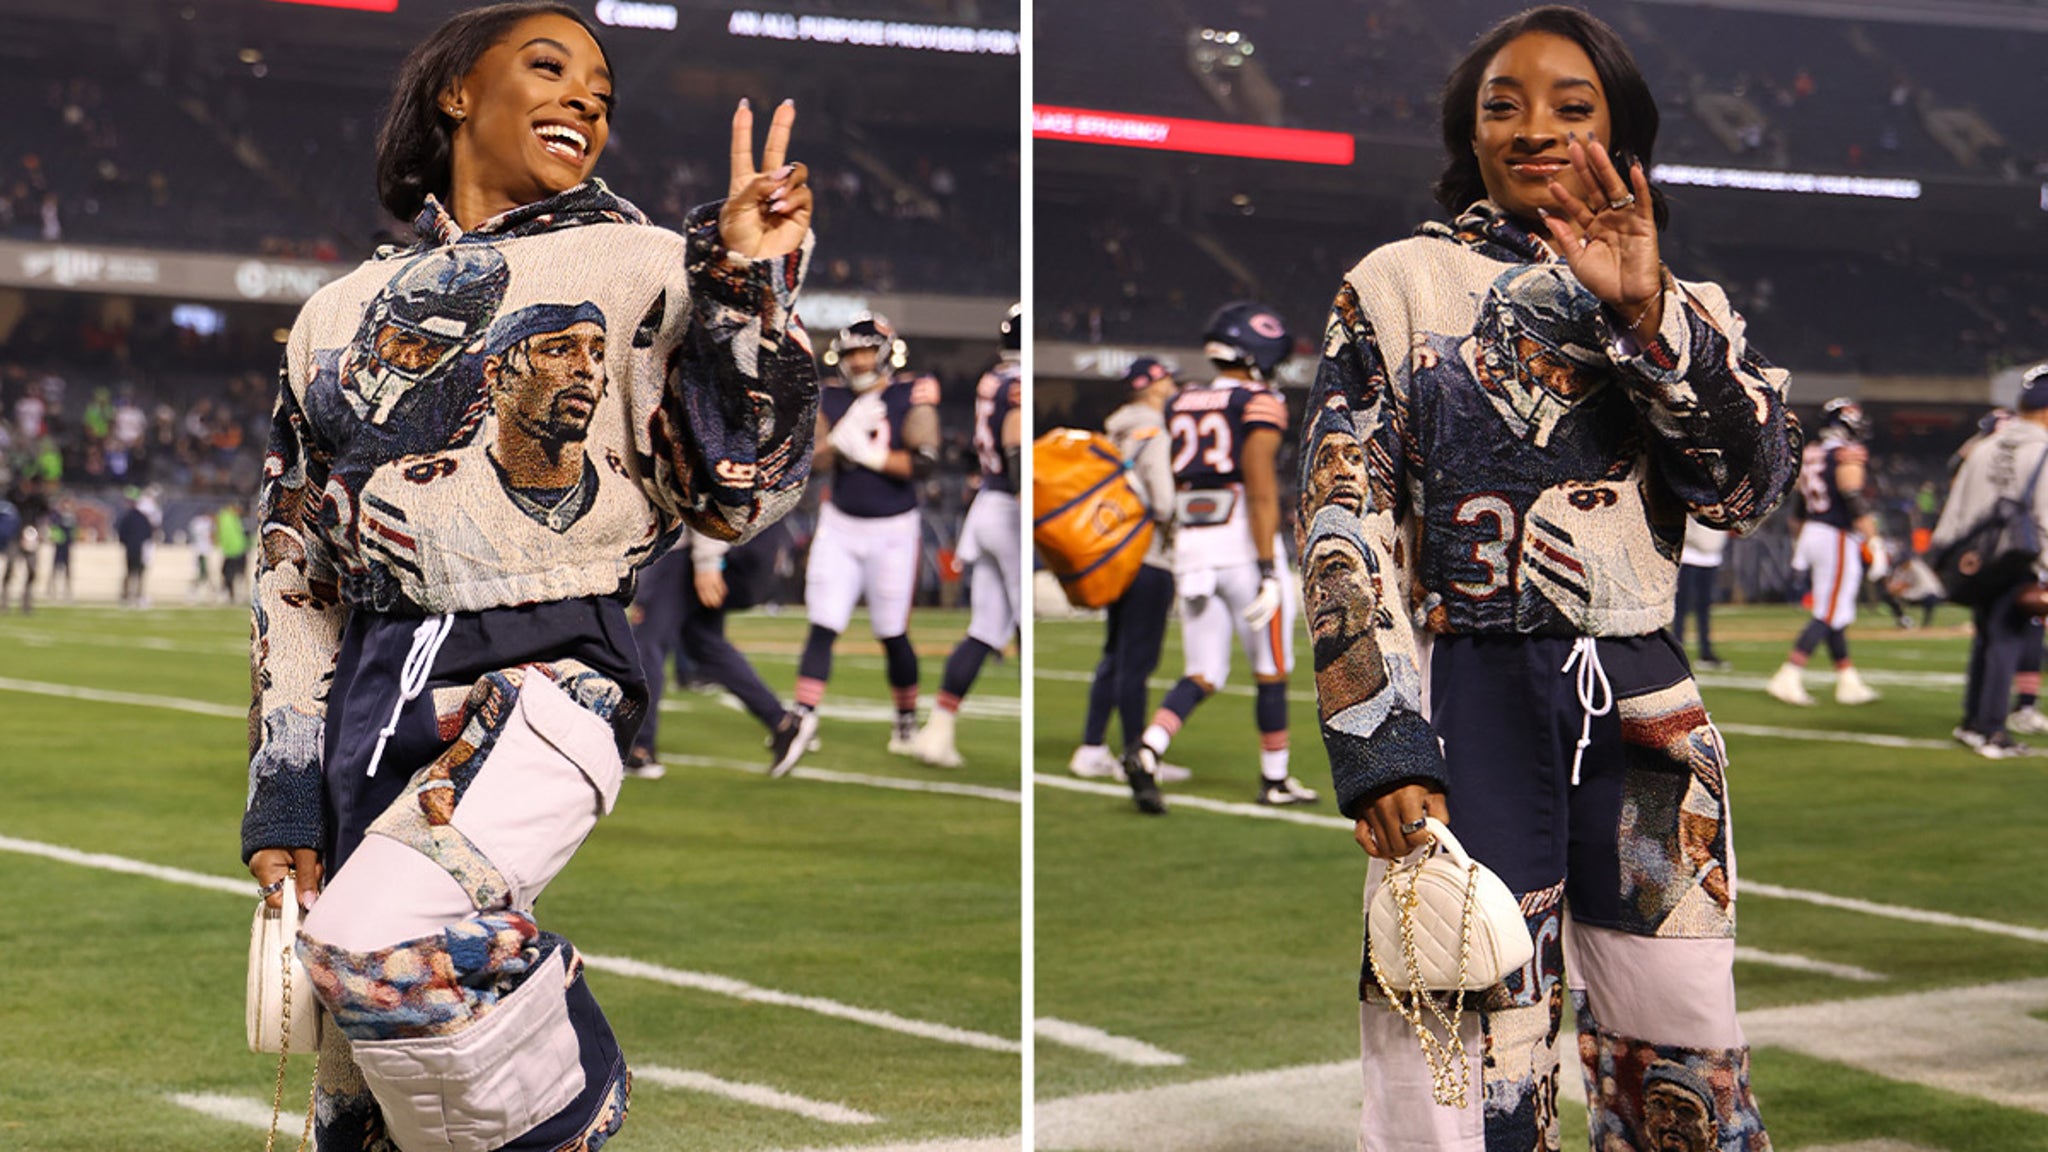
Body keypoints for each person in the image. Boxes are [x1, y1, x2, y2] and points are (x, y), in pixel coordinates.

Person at [238, 5, 817, 1148]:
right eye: (547, 67)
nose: (585, 99)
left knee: (382, 947)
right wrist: (287, 784)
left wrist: (748, 287)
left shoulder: (648, 261)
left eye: (600, 88)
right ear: (455, 92)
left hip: (550, 665)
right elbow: (294, 564)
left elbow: (737, 493)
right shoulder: (332, 313)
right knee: (360, 1105)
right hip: (368, 690)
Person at [1298, 8, 1795, 1148]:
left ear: (1622, 131)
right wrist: (1377, 741)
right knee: (1455, 1065)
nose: (1533, 129)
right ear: (1464, 134)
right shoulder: (1395, 284)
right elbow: (1343, 514)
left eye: (1572, 107)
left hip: (1645, 714)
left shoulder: (1691, 305)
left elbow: (1745, 488)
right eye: (1500, 106)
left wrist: (1645, 317)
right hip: (1462, 695)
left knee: (1679, 1056)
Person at [1127, 302, 1315, 807]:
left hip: (1193, 547)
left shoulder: (1182, 400)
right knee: (1271, 666)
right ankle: (1274, 779)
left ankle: (1148, 748)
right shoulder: (1260, 399)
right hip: (1240, 543)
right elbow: (1258, 489)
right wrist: (1267, 567)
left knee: (1203, 671)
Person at [794, 312, 939, 754]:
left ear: (885, 353)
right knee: (823, 623)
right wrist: (839, 442)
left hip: (894, 527)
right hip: (840, 523)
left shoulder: (912, 390)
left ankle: (906, 719)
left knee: (892, 631)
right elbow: (810, 462)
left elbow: (925, 461)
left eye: (864, 352)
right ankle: (803, 718)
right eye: (852, 353)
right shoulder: (831, 397)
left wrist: (872, 456)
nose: (857, 363)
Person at [910, 304, 1022, 767]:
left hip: (989, 507)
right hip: (1011, 507)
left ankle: (937, 732)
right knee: (1026, 622)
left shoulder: (994, 378)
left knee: (986, 628)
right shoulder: (1017, 384)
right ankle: (1093, 744)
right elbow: (1016, 447)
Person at [1069, 356, 1181, 806]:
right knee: (1137, 661)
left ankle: (1091, 746)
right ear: (1152, 385)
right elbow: (1164, 499)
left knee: (1114, 654)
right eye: (1166, 378)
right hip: (1148, 554)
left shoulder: (1113, 428)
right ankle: (1135, 754)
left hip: (1112, 552)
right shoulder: (1152, 427)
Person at [625, 529, 816, 779]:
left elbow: (701, 494)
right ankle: (782, 723)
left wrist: (708, 562)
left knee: (646, 642)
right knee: (702, 642)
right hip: (723, 546)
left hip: (689, 546)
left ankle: (640, 749)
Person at [1932, 369, 2048, 758]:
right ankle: (1993, 730)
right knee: (2006, 639)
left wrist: (1942, 557)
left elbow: (1956, 508)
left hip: (1975, 560)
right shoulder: (2043, 449)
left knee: (1986, 636)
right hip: (2018, 560)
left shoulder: (1984, 446)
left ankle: (1971, 723)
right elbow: (2046, 517)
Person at [1766, 397, 1881, 706]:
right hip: (1836, 535)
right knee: (1829, 612)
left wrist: (1799, 544)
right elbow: (1853, 497)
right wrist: (1874, 541)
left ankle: (1847, 679)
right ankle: (1788, 674)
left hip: (1814, 532)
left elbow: (1799, 509)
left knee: (1836, 612)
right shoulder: (1845, 453)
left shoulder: (1811, 453)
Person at [1671, 518, 1727, 670]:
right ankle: (1677, 650)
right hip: (1689, 556)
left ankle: (1706, 652)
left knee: (1704, 609)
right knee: (1681, 608)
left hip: (1711, 556)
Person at [115, 489, 153, 607]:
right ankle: (130, 595)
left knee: (136, 572)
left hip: (136, 548)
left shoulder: (136, 517)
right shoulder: (133, 517)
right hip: (135, 548)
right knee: (133, 572)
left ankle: (133, 595)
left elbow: (148, 533)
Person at [217, 501, 249, 604]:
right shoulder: (229, 517)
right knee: (231, 573)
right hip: (235, 551)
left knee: (231, 573)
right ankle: (233, 594)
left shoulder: (230, 518)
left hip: (234, 551)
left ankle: (234, 595)